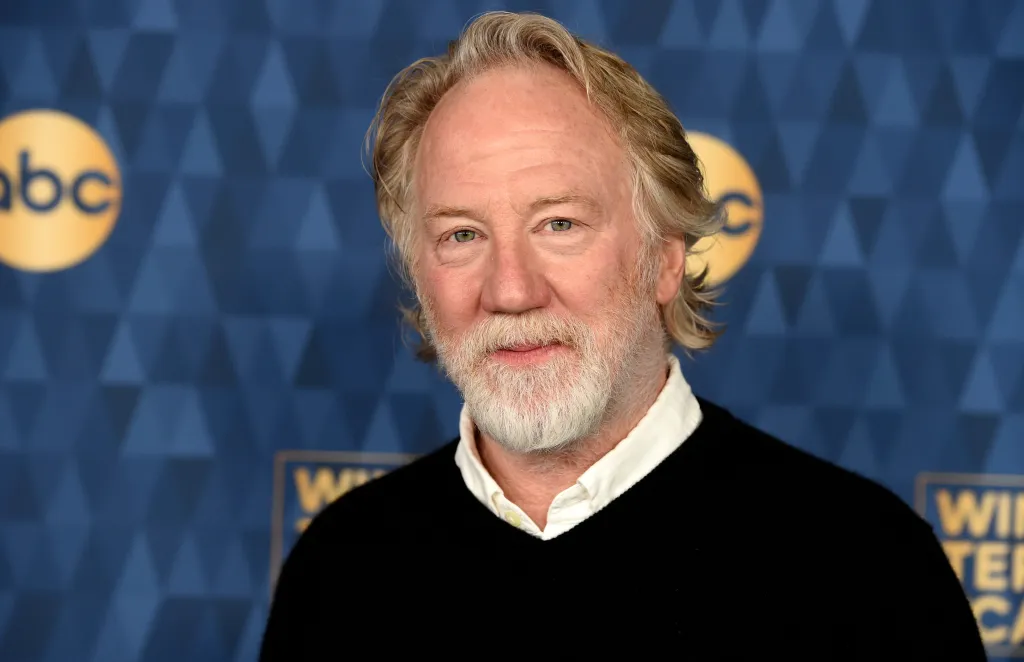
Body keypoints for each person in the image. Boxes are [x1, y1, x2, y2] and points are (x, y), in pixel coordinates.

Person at [259, 11, 985, 658]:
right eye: (461, 234)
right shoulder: (342, 569)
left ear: (666, 259)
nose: (511, 289)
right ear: (420, 272)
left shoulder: (864, 569)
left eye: (560, 225)